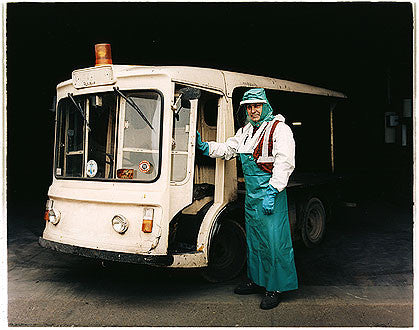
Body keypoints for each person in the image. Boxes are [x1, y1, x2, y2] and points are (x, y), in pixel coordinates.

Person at [196, 88, 298, 310]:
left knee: (274, 242)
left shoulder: (279, 130)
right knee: (255, 241)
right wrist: (206, 146)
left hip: (271, 194)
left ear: (265, 106)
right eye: (249, 107)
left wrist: (273, 191)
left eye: (257, 106)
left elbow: (285, 162)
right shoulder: (245, 131)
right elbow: (229, 149)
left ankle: (276, 287)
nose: (253, 110)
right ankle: (257, 281)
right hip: (252, 197)